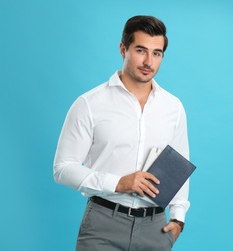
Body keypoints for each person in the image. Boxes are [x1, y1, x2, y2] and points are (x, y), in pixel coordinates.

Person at [53, 15, 191, 251]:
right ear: (123, 49)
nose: (148, 61)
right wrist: (119, 183)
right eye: (140, 50)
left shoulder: (173, 107)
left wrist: (178, 218)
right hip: (103, 224)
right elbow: (63, 168)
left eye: (156, 53)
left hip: (155, 228)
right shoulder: (89, 104)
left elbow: (179, 164)